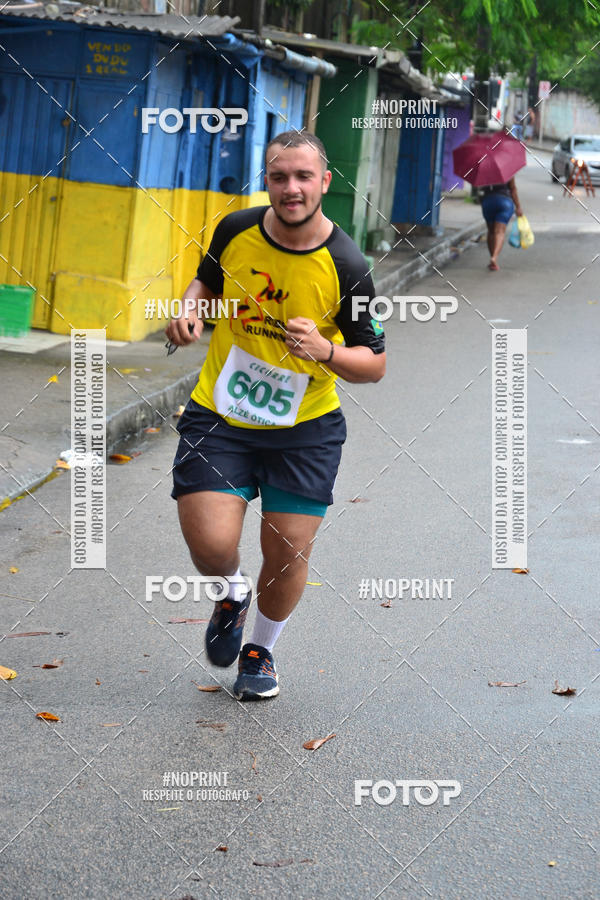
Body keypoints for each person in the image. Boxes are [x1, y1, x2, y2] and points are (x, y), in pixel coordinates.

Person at [165, 131, 386, 701]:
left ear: (325, 182)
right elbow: (206, 281)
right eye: (279, 176)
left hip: (304, 430)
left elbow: (374, 364)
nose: (292, 188)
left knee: (286, 551)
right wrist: (188, 313)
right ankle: (232, 594)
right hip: (222, 413)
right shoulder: (235, 229)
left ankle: (260, 650)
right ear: (266, 180)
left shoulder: (347, 264)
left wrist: (327, 350)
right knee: (211, 543)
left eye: (303, 176)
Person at [480, 177, 523, 271]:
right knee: (500, 232)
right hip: (504, 202)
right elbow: (513, 189)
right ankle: (494, 258)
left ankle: (492, 259)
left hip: (488, 202)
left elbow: (480, 188)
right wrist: (518, 207)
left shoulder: (484, 172)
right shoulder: (507, 172)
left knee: (491, 231)